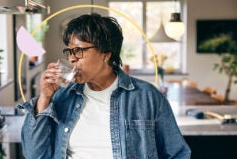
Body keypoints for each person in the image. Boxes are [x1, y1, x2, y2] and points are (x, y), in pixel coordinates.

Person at [19, 13, 191, 159]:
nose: (72, 58)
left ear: (105, 54)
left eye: (79, 50)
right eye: (70, 51)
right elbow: (34, 155)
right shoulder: (62, 96)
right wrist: (44, 97)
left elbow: (177, 153)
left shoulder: (147, 97)